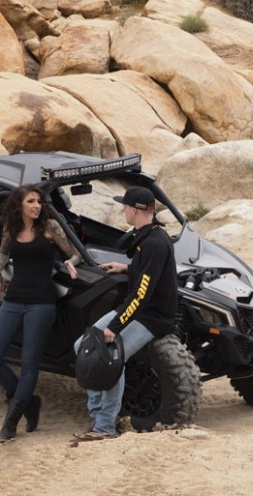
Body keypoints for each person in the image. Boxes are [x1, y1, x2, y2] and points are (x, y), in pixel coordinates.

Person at [74, 186, 179, 441]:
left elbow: (142, 294)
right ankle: (97, 414)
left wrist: (116, 327)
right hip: (141, 311)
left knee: (109, 357)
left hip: (152, 317)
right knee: (83, 345)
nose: (123, 210)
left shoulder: (154, 242)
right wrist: (126, 268)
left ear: (134, 209)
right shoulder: (150, 235)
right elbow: (147, 274)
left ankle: (105, 427)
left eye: (125, 206)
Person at [0, 185, 81, 444]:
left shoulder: (49, 227)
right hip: (13, 300)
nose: (37, 205)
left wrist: (71, 262)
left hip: (41, 303)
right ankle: (29, 401)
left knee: (29, 365)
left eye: (39, 201)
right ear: (20, 205)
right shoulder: (11, 228)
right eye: (31, 201)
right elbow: (3, 253)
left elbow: (74, 252)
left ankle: (11, 422)